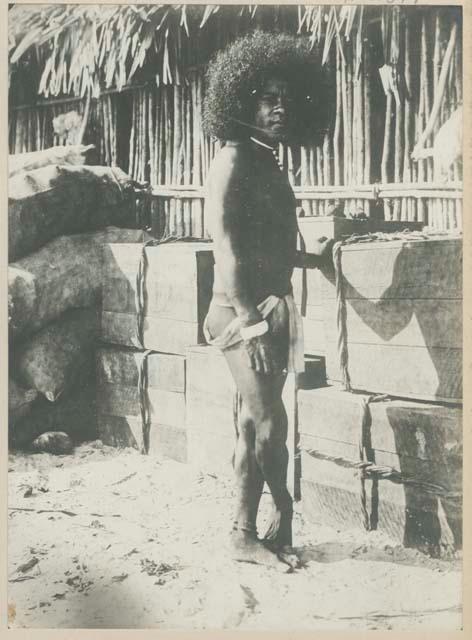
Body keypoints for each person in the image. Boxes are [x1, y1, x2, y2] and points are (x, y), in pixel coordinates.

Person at [202, 31, 333, 569]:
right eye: (265, 97)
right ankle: (282, 508)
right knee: (270, 420)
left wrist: (312, 258)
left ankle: (243, 533)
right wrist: (253, 322)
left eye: (285, 97)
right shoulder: (233, 160)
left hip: (270, 310)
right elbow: (228, 249)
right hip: (240, 315)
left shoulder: (268, 162)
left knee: (252, 424)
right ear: (239, 104)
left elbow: (266, 247)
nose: (278, 107)